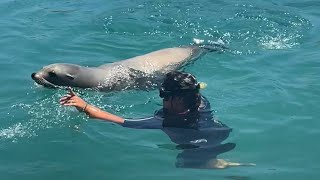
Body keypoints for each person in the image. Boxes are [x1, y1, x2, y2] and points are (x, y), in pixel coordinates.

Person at [60, 71, 252, 169]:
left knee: (184, 163)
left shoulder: (166, 121)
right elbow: (194, 87)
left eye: (165, 96)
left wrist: (83, 105)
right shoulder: (201, 102)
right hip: (219, 132)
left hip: (198, 148)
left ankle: (220, 165)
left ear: (177, 99)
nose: (163, 99)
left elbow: (121, 122)